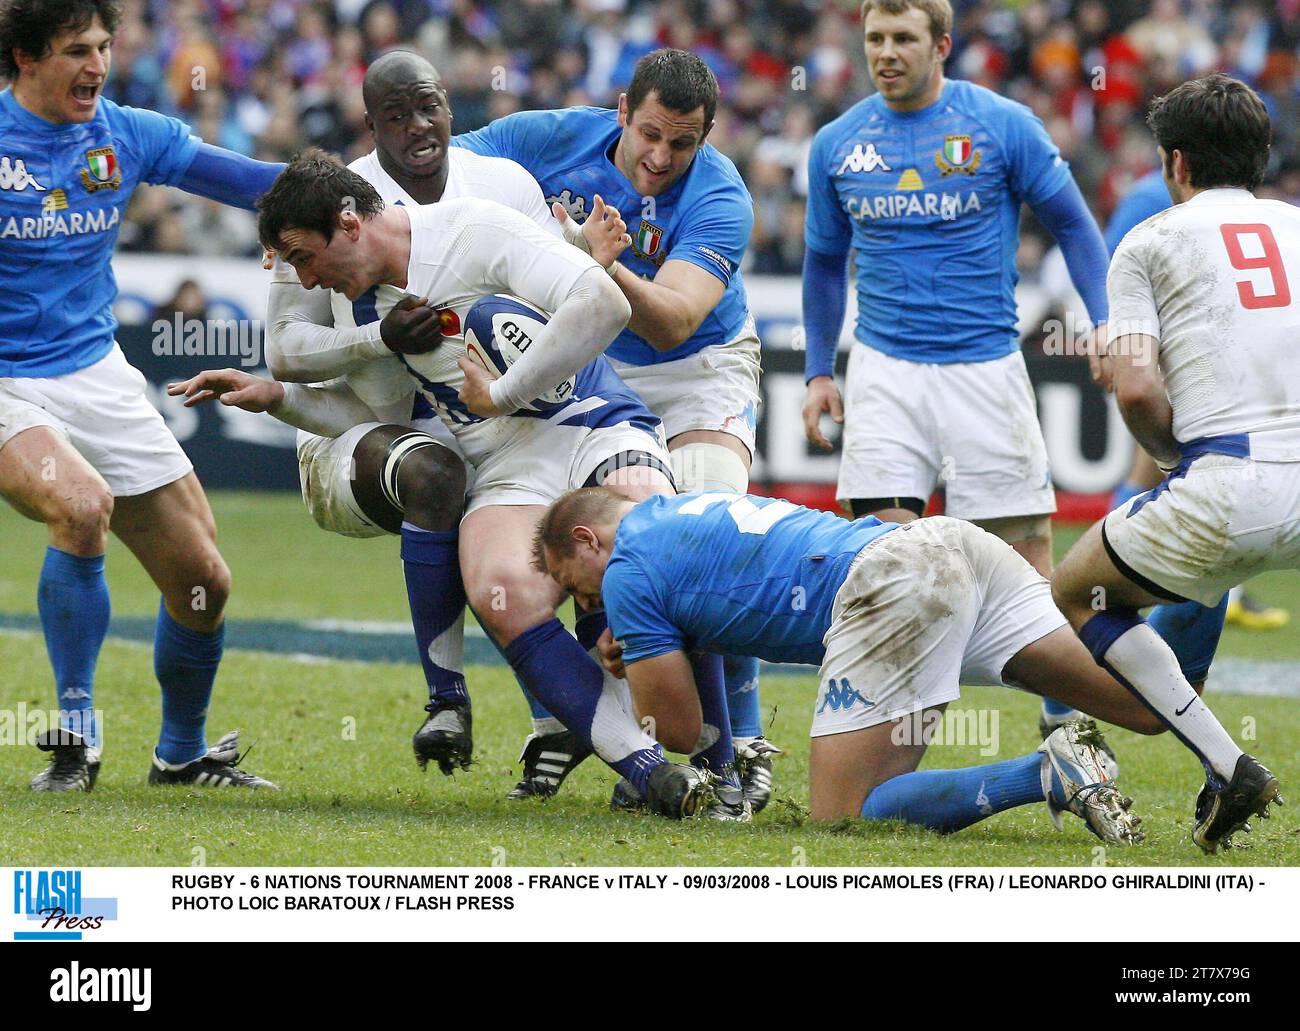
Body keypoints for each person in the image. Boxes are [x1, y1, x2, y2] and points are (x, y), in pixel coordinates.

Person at [171, 152, 740, 821]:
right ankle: (649, 774)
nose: (306, 277)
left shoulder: (474, 230)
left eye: (304, 255)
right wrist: (276, 397)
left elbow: (603, 301)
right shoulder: (375, 310)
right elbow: (369, 419)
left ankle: (721, 762)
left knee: (648, 539)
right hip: (506, 465)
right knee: (500, 587)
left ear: (349, 222)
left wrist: (501, 392)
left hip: (593, 426)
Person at [260, 51, 629, 796]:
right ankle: (447, 699)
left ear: (450, 107)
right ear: (370, 126)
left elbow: (542, 303)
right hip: (357, 425)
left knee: (585, 540)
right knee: (441, 475)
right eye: (394, 115)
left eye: (426, 106)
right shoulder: (323, 206)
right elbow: (285, 351)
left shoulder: (499, 188)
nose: (416, 126)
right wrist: (378, 340)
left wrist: (584, 258)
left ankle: (599, 725)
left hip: (490, 419)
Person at [453, 48, 781, 812]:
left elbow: (671, 322)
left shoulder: (722, 196)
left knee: (703, 530)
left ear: (706, 137)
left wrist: (599, 263)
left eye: (684, 143)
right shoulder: (552, 136)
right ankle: (605, 728)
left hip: (698, 371)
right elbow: (443, 170)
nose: (661, 158)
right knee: (564, 548)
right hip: (590, 364)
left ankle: (744, 740)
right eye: (650, 135)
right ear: (623, 109)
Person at [799, 0, 1112, 752]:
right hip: (884, 372)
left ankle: (1066, 728)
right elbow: (820, 261)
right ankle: (894, 741)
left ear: (942, 44)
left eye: (903, 38)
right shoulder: (838, 144)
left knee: (1025, 561)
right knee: (890, 566)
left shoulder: (1002, 124)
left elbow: (1072, 222)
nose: (886, 52)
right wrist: (817, 371)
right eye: (875, 38)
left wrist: (1106, 322)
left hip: (984, 366)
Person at [531, 487, 1177, 844]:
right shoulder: (678, 507)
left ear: (587, 540)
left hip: (887, 586)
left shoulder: (624, 571)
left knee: (843, 813)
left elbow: (675, 729)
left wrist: (642, 659)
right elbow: (722, 600)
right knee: (1147, 705)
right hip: (943, 544)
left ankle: (1043, 772)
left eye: (576, 586)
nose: (589, 604)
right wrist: (671, 641)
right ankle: (1201, 597)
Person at [0, 0, 283, 791]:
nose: (97, 65)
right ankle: (74, 738)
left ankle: (181, 754)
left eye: (103, 46)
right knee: (81, 505)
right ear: (25, 59)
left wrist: (361, 187)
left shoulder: (125, 134)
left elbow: (252, 181)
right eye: (74, 50)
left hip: (93, 369)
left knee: (204, 579)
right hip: (5, 379)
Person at [1053, 74, 1292, 853]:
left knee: (1074, 588)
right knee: (1204, 574)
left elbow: (1134, 383)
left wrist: (1172, 453)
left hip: (1227, 484)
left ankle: (1227, 763)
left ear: (1176, 163)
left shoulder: (1149, 239)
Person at [1105, 168, 1289, 635]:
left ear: (1178, 156)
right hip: (1188, 357)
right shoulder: (1279, 214)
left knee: (1175, 468)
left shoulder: (1150, 196)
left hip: (1198, 359)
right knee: (1171, 469)